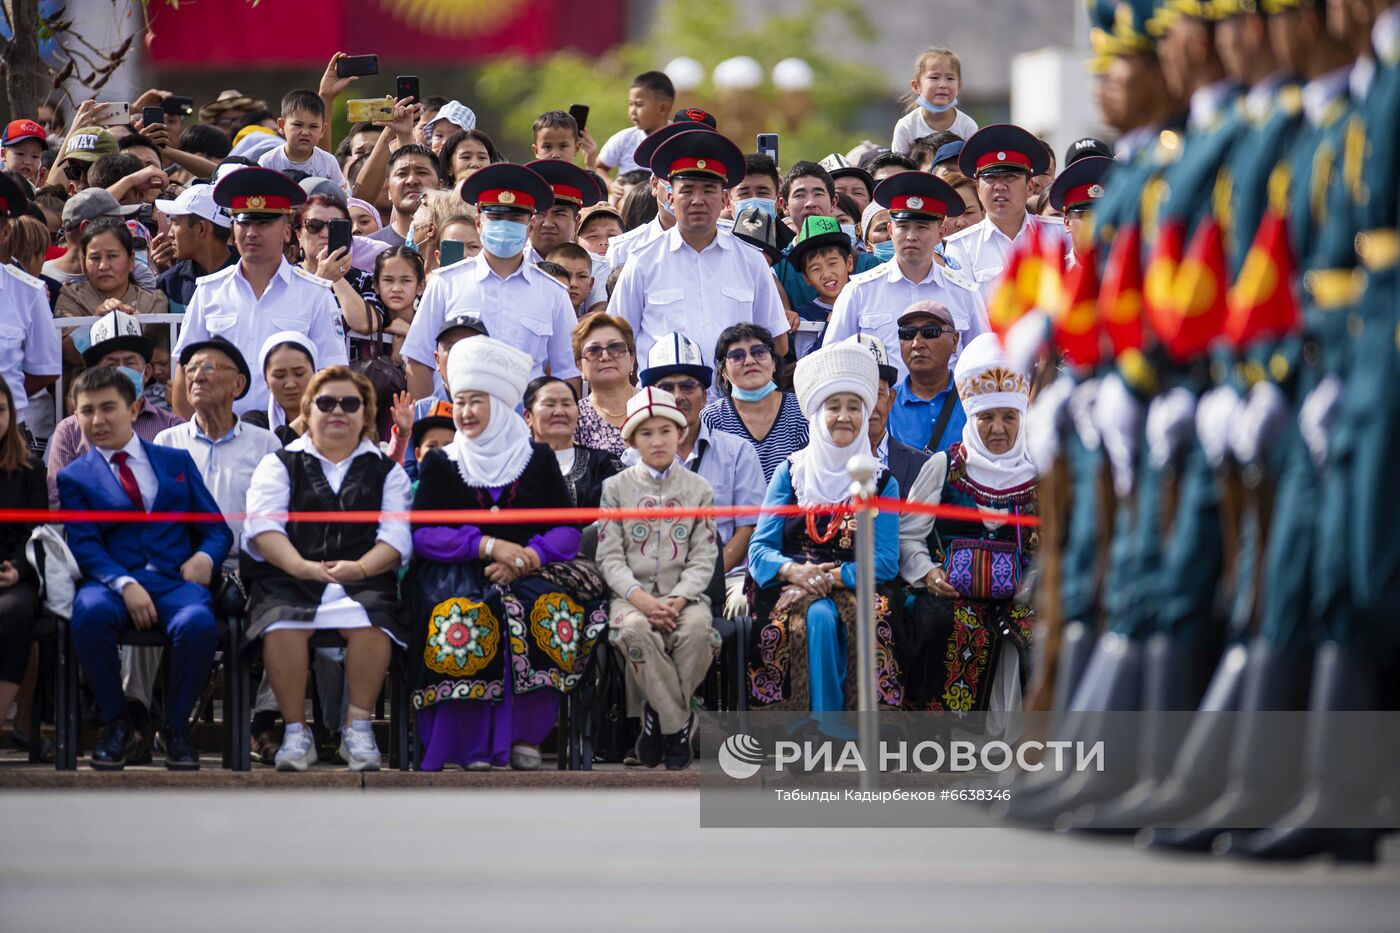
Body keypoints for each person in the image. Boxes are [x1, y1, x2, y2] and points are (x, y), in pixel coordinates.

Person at [406, 337, 608, 771]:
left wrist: (527, 557)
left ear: (499, 404)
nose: (465, 413)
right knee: (465, 613)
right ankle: (467, 744)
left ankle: (524, 736)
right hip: (452, 571)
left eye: (476, 401)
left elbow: (565, 530)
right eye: (459, 402)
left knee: (541, 609)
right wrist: (486, 545)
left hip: (527, 570)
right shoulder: (442, 461)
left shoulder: (534, 457)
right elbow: (422, 534)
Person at [59, 365, 232, 771]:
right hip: (110, 580)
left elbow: (216, 530)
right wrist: (123, 584)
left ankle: (174, 729)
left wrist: (205, 559)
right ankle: (116, 724)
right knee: (89, 614)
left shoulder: (175, 461)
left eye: (108, 408)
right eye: (86, 411)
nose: (97, 420)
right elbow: (84, 545)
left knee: (198, 624)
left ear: (134, 409)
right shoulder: (75, 476)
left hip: (176, 580)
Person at [242, 366, 410, 772]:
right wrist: (301, 566)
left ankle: (358, 728)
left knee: (374, 620)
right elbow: (263, 527)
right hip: (290, 576)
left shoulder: (388, 472)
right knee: (281, 623)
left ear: (366, 414)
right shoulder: (278, 463)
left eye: (350, 403)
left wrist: (359, 568)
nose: (338, 411)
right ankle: (297, 733)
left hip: (364, 578)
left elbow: (395, 539)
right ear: (308, 409)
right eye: (327, 402)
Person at [746, 341, 904, 714]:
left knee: (863, 618)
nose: (844, 417)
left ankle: (853, 727)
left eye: (854, 408)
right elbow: (759, 549)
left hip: (858, 583)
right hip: (792, 581)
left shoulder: (881, 481)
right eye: (833, 407)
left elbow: (884, 561)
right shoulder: (792, 471)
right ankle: (812, 727)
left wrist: (831, 578)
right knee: (814, 616)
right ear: (817, 414)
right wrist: (797, 571)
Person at [898, 333, 1038, 718]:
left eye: (1008, 417)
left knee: (1040, 629)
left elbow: (1060, 543)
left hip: (1023, 595)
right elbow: (909, 535)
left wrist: (1034, 580)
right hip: (952, 593)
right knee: (938, 620)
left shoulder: (1041, 473)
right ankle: (941, 734)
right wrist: (928, 573)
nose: (997, 428)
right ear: (970, 418)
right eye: (986, 417)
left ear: (1022, 418)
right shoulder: (943, 466)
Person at [598, 387, 719, 770]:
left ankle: (655, 719)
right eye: (646, 433)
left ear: (680, 433)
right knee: (635, 631)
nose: (658, 440)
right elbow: (609, 556)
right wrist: (643, 600)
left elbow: (704, 557)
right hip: (630, 599)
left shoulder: (699, 490)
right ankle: (678, 728)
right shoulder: (615, 489)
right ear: (632, 440)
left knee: (698, 632)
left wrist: (679, 599)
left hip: (686, 599)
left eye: (666, 430)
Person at [172, 167, 348, 418]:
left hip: (290, 437)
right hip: (221, 435)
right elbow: (184, 372)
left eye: (264, 223)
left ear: (287, 231)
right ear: (233, 230)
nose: (252, 233)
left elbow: (332, 373)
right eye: (245, 222)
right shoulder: (209, 292)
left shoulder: (315, 293)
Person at [610, 129, 789, 367]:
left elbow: (777, 341)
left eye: (708, 190)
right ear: (671, 199)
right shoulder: (642, 261)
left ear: (725, 200)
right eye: (687, 190)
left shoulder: (751, 260)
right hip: (665, 400)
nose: (697, 200)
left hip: (733, 400)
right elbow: (618, 341)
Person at [402, 163, 581, 398]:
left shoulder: (553, 293)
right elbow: (419, 361)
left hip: (526, 424)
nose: (505, 225)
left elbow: (567, 371)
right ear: (478, 223)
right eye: (495, 216)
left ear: (531, 225)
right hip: (455, 421)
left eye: (515, 217)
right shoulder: (446, 283)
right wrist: (429, 425)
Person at [639, 334, 766, 618]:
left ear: (705, 396)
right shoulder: (632, 459)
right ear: (650, 397)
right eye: (665, 388)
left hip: (727, 577)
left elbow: (748, 529)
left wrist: (702, 578)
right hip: (653, 582)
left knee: (743, 604)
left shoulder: (738, 452)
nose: (677, 397)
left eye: (688, 386)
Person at [822, 171, 987, 379]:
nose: (911, 236)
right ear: (890, 230)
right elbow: (833, 360)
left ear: (942, 233)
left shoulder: (966, 293)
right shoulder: (859, 291)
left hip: (947, 408)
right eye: (903, 226)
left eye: (922, 227)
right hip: (881, 408)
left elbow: (981, 363)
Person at [46, 310, 183, 504]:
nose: (121, 371)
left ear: (146, 373)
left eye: (129, 362)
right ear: (93, 373)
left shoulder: (173, 427)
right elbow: (59, 502)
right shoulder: (70, 430)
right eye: (111, 364)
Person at [942, 123, 1071, 299]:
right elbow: (964, 313)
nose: (1000, 186)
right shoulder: (962, 246)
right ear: (979, 190)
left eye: (1010, 177)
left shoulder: (1060, 234)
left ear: (1030, 187)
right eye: (991, 178)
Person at [701, 323, 808, 483]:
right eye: (737, 356)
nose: (750, 361)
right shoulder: (712, 418)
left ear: (773, 364)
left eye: (759, 353)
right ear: (723, 372)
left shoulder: (801, 410)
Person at [0, 376, 46, 743]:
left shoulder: (30, 469)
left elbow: (38, 533)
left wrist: (17, 569)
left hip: (14, 572)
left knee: (14, 612)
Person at [772, 161, 884, 308]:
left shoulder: (869, 265)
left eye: (818, 193)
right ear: (784, 205)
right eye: (800, 195)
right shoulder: (777, 269)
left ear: (833, 202)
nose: (810, 203)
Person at [0, 174, 61, 433]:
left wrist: (7, 401)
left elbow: (44, 370)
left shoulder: (29, 292)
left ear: (4, 232)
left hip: (7, 436)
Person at [523, 375, 621, 509]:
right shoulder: (511, 468)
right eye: (549, 404)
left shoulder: (604, 464)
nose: (559, 412)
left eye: (567, 404)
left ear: (578, 413)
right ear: (528, 416)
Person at [851, 333, 929, 499]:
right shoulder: (820, 466)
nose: (870, 406)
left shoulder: (921, 465)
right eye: (859, 397)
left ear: (891, 398)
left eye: (877, 394)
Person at [886, 300, 968, 456]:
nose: (917, 343)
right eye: (907, 333)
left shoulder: (971, 398)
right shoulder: (887, 404)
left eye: (930, 332)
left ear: (955, 341)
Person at [293, 193, 378, 340]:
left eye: (335, 227)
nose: (325, 234)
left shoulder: (364, 279)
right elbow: (293, 323)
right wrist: (321, 279)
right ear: (299, 234)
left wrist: (335, 277)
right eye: (314, 226)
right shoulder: (283, 277)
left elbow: (366, 325)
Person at [55, 217, 169, 318]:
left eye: (112, 256)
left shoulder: (153, 302)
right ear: (83, 261)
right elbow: (63, 341)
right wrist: (96, 323)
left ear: (131, 260)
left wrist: (138, 325)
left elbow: (160, 341)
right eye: (95, 258)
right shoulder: (71, 298)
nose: (103, 266)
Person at [153, 184, 236, 315]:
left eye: (176, 223)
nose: (170, 233)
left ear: (202, 228)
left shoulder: (251, 276)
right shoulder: (169, 283)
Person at [788, 215, 856, 359]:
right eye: (815, 269)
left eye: (832, 263)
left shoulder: (864, 304)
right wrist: (832, 325)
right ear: (806, 278)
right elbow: (807, 362)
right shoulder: (805, 316)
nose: (826, 274)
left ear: (849, 263)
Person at [572, 312, 638, 456]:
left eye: (616, 348)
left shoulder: (655, 403)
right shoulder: (573, 417)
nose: (605, 356)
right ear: (579, 367)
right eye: (593, 351)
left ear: (632, 359)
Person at [892, 47, 979, 155]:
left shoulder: (967, 126)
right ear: (916, 86)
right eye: (934, 77)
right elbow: (899, 167)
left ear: (958, 86)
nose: (943, 85)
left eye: (950, 78)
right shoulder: (906, 126)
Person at [256, 89, 347, 190]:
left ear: (322, 130)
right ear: (281, 125)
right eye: (298, 125)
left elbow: (342, 195)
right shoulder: (268, 162)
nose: (305, 132)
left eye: (313, 126)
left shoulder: (328, 162)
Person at [241, 331, 316, 446]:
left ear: (315, 374)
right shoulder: (253, 423)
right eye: (279, 376)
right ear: (266, 380)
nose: (290, 384)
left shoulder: (335, 418)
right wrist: (307, 420)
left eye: (299, 373)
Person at [597, 71, 676, 174]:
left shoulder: (678, 139)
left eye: (639, 104)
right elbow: (599, 167)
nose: (632, 111)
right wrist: (612, 185)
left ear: (662, 108)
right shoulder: (624, 139)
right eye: (630, 104)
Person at [367, 145, 442, 247]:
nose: (411, 181)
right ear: (389, 190)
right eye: (402, 174)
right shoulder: (368, 248)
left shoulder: (461, 241)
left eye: (422, 173)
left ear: (440, 186)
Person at [1047, 154, 1111, 255]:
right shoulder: (1055, 270)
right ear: (1067, 223)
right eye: (1084, 216)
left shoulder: (1127, 270)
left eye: (1102, 215)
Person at [531, 109, 597, 171]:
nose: (555, 155)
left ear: (576, 148)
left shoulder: (582, 180)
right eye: (547, 147)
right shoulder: (528, 181)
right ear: (536, 151)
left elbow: (590, 182)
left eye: (563, 146)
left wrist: (591, 166)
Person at [546, 242, 600, 315]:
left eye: (582, 276)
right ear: (546, 279)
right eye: (565, 275)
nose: (573, 284)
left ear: (590, 284)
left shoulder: (592, 326)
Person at [2, 119, 47, 187]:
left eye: (35, 156)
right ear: (4, 154)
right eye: (20, 154)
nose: (28, 162)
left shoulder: (33, 191)